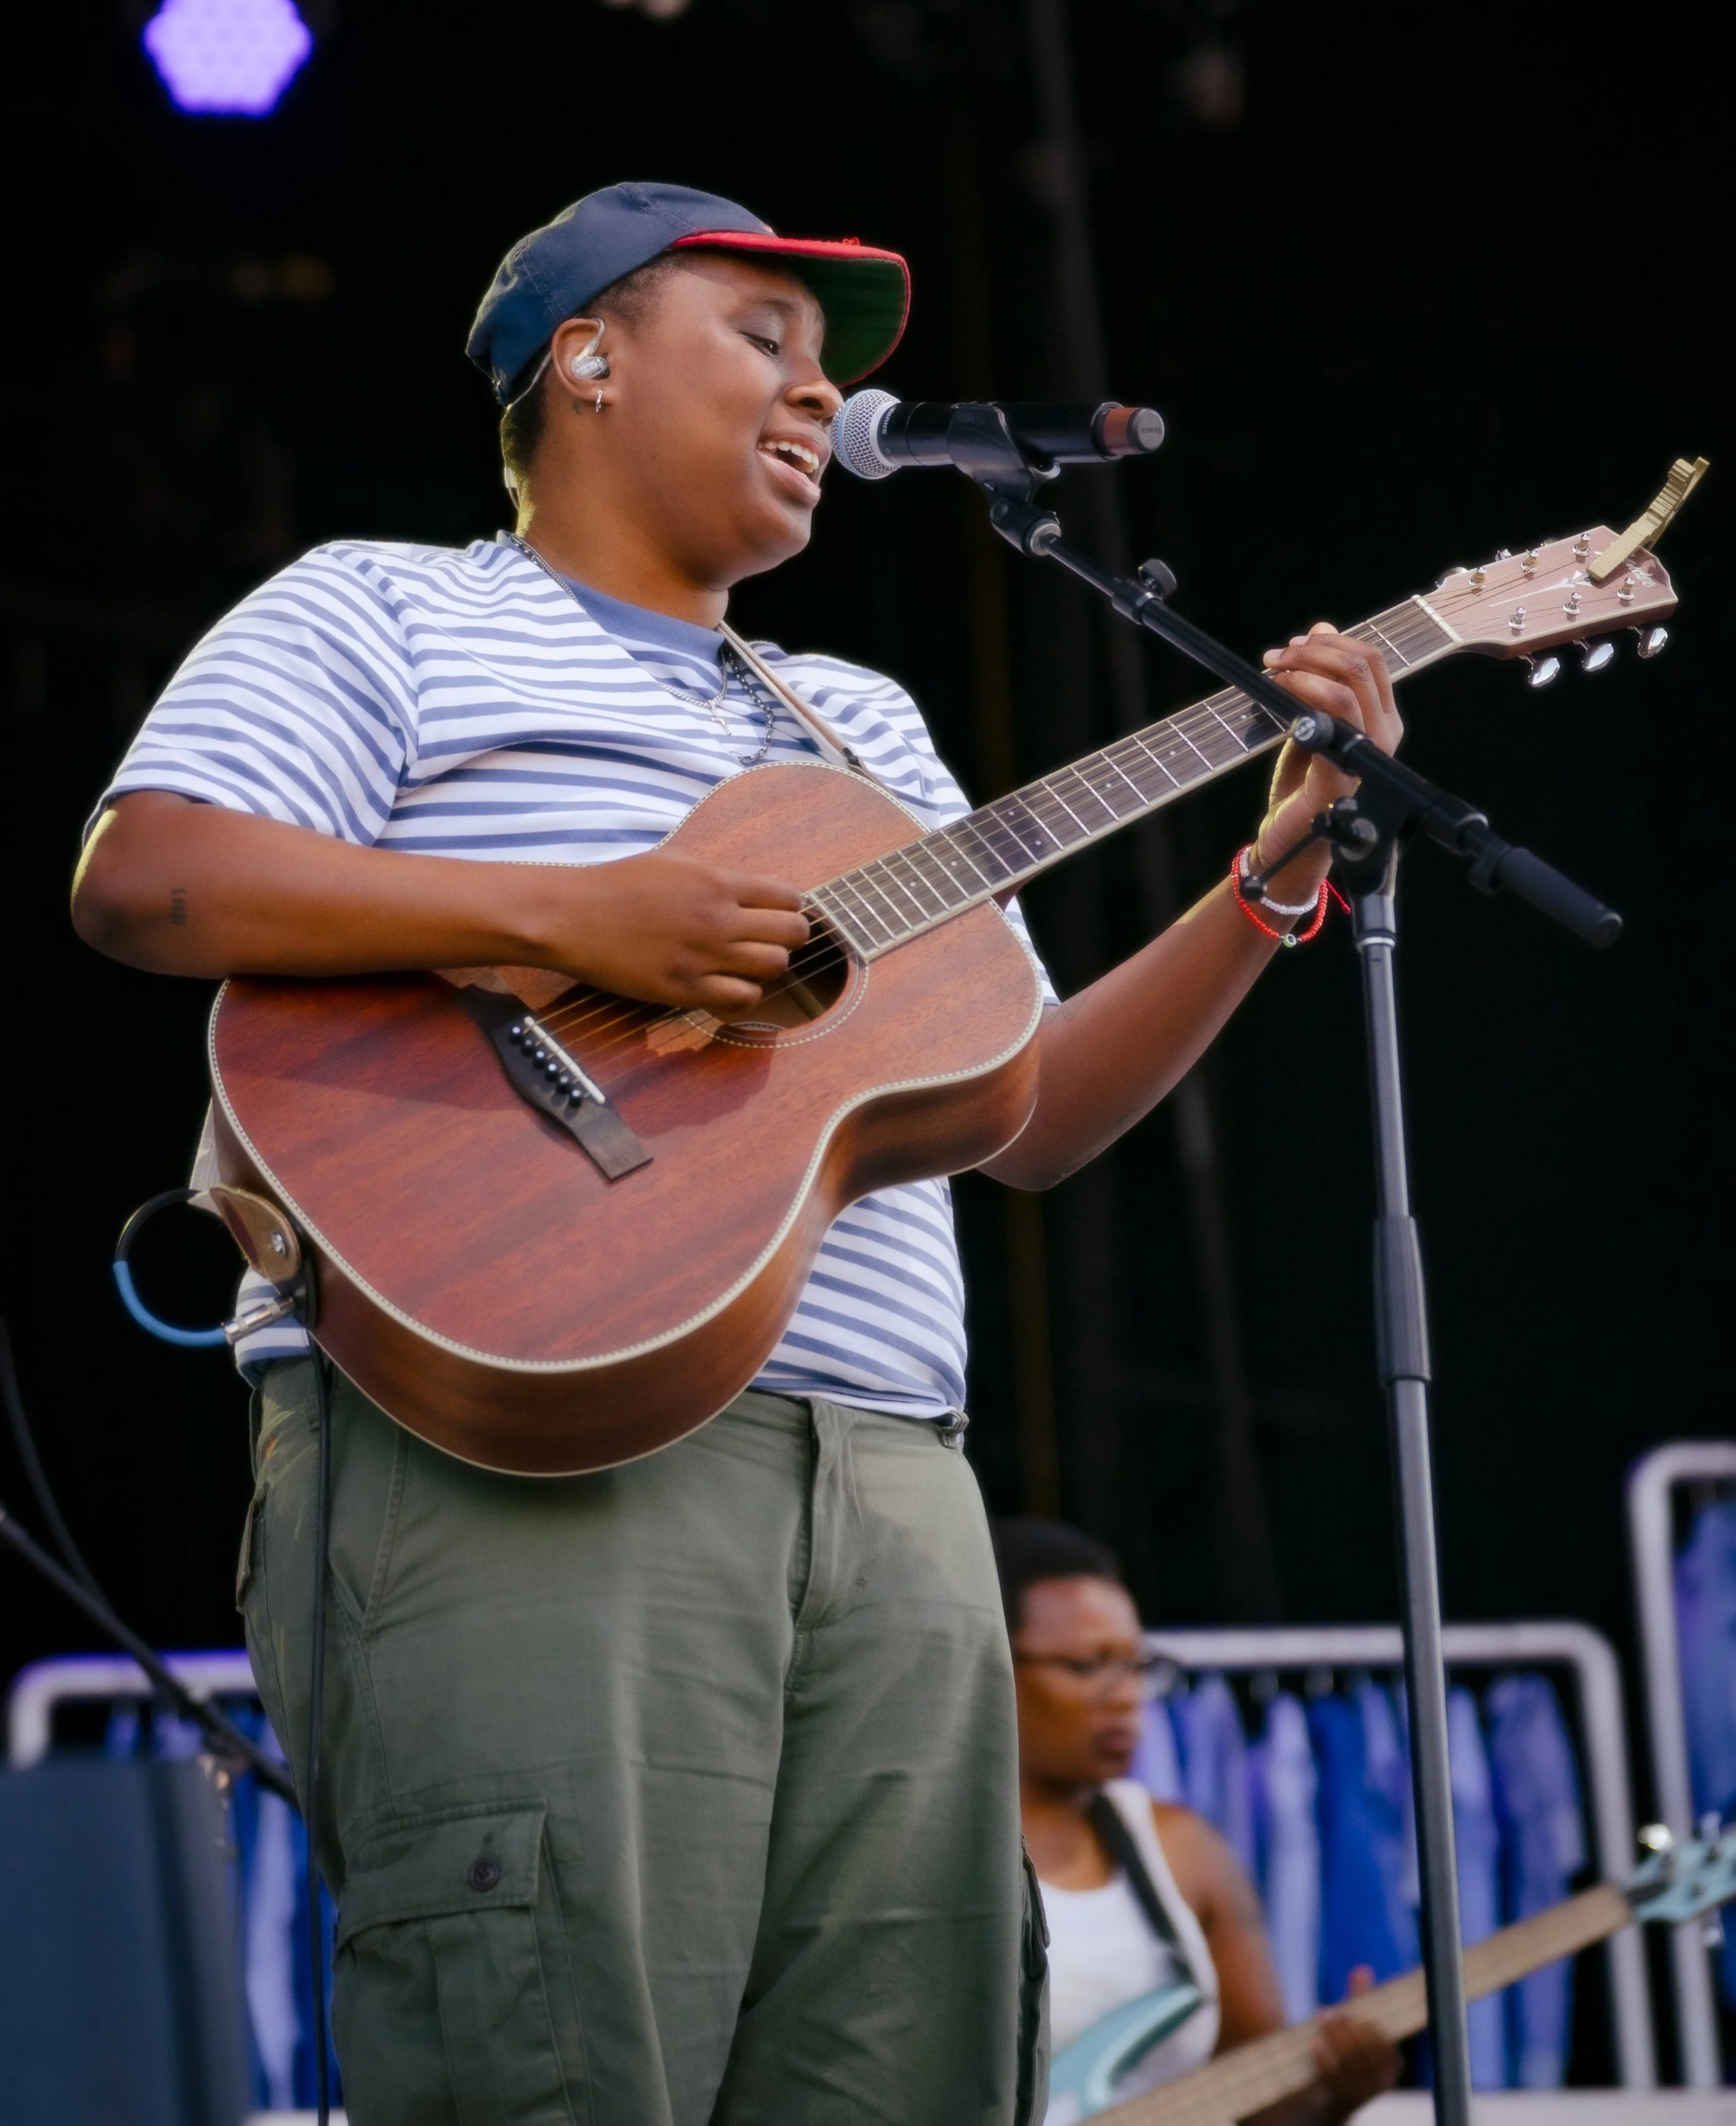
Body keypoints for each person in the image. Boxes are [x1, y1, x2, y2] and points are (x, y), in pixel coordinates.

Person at [72, 180, 1404, 2126]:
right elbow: (154, 871)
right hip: (521, 1409)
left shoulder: (852, 718)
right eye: (761, 337)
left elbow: (1022, 1113)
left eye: (831, 363)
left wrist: (1263, 888)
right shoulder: (387, 604)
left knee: (907, 2057)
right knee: (551, 2046)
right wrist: (576, 919)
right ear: (585, 355)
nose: (814, 390)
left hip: (886, 1472)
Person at [996, 1518, 1402, 2124]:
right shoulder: (918, 1853)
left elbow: (1265, 2105)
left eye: (1136, 1665)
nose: (1126, 1693)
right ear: (991, 1665)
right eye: (1086, 1665)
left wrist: (1337, 2092)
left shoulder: (1185, 1850)